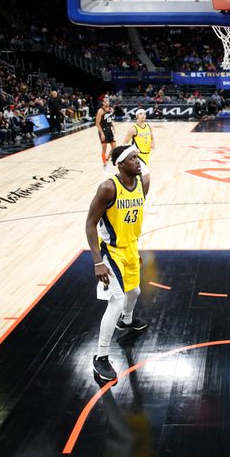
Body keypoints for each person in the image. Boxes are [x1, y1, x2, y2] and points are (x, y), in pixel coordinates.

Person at [86, 145, 149, 381]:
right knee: (117, 300)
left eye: (138, 157)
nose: (137, 160)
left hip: (131, 249)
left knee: (135, 291)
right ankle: (100, 357)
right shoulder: (108, 187)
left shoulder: (140, 184)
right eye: (132, 158)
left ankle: (127, 321)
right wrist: (97, 262)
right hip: (110, 252)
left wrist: (135, 249)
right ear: (120, 163)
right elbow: (90, 223)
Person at [96, 99, 116, 168]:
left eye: (108, 101)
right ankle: (104, 164)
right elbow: (97, 123)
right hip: (103, 130)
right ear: (103, 103)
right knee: (104, 148)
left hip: (109, 130)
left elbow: (109, 119)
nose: (107, 102)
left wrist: (113, 127)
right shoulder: (100, 111)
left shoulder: (111, 110)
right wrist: (102, 133)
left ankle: (107, 159)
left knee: (114, 147)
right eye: (105, 101)